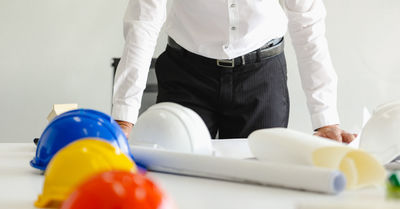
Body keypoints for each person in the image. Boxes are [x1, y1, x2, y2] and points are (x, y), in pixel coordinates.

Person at [112, 0, 356, 143]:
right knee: (178, 179)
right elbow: (143, 22)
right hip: (187, 75)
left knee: (261, 182)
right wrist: (124, 118)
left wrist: (326, 120)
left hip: (261, 76)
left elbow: (308, 25)